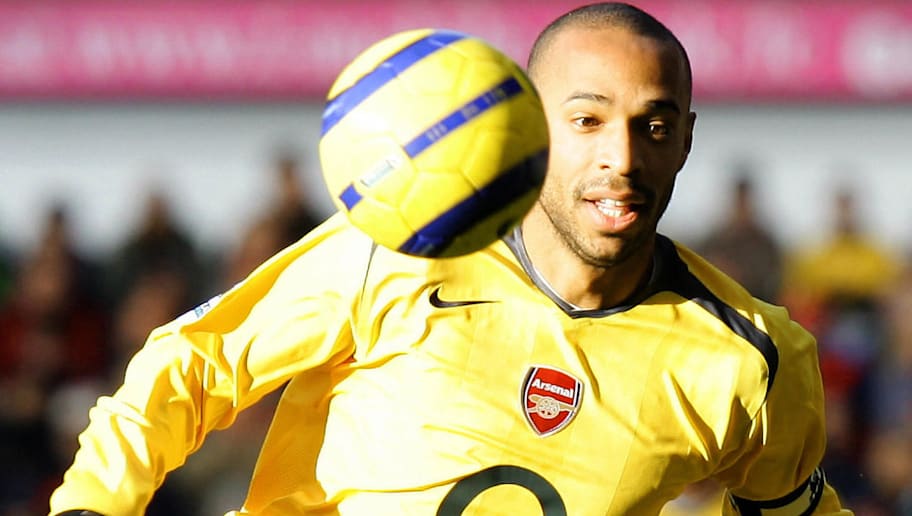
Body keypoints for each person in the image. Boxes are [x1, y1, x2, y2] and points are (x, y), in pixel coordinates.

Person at [49, 3, 852, 515]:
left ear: (685, 140)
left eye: (654, 125)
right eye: (587, 121)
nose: (623, 158)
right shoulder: (400, 248)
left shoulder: (753, 359)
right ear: (533, 124)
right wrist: (93, 504)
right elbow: (195, 362)